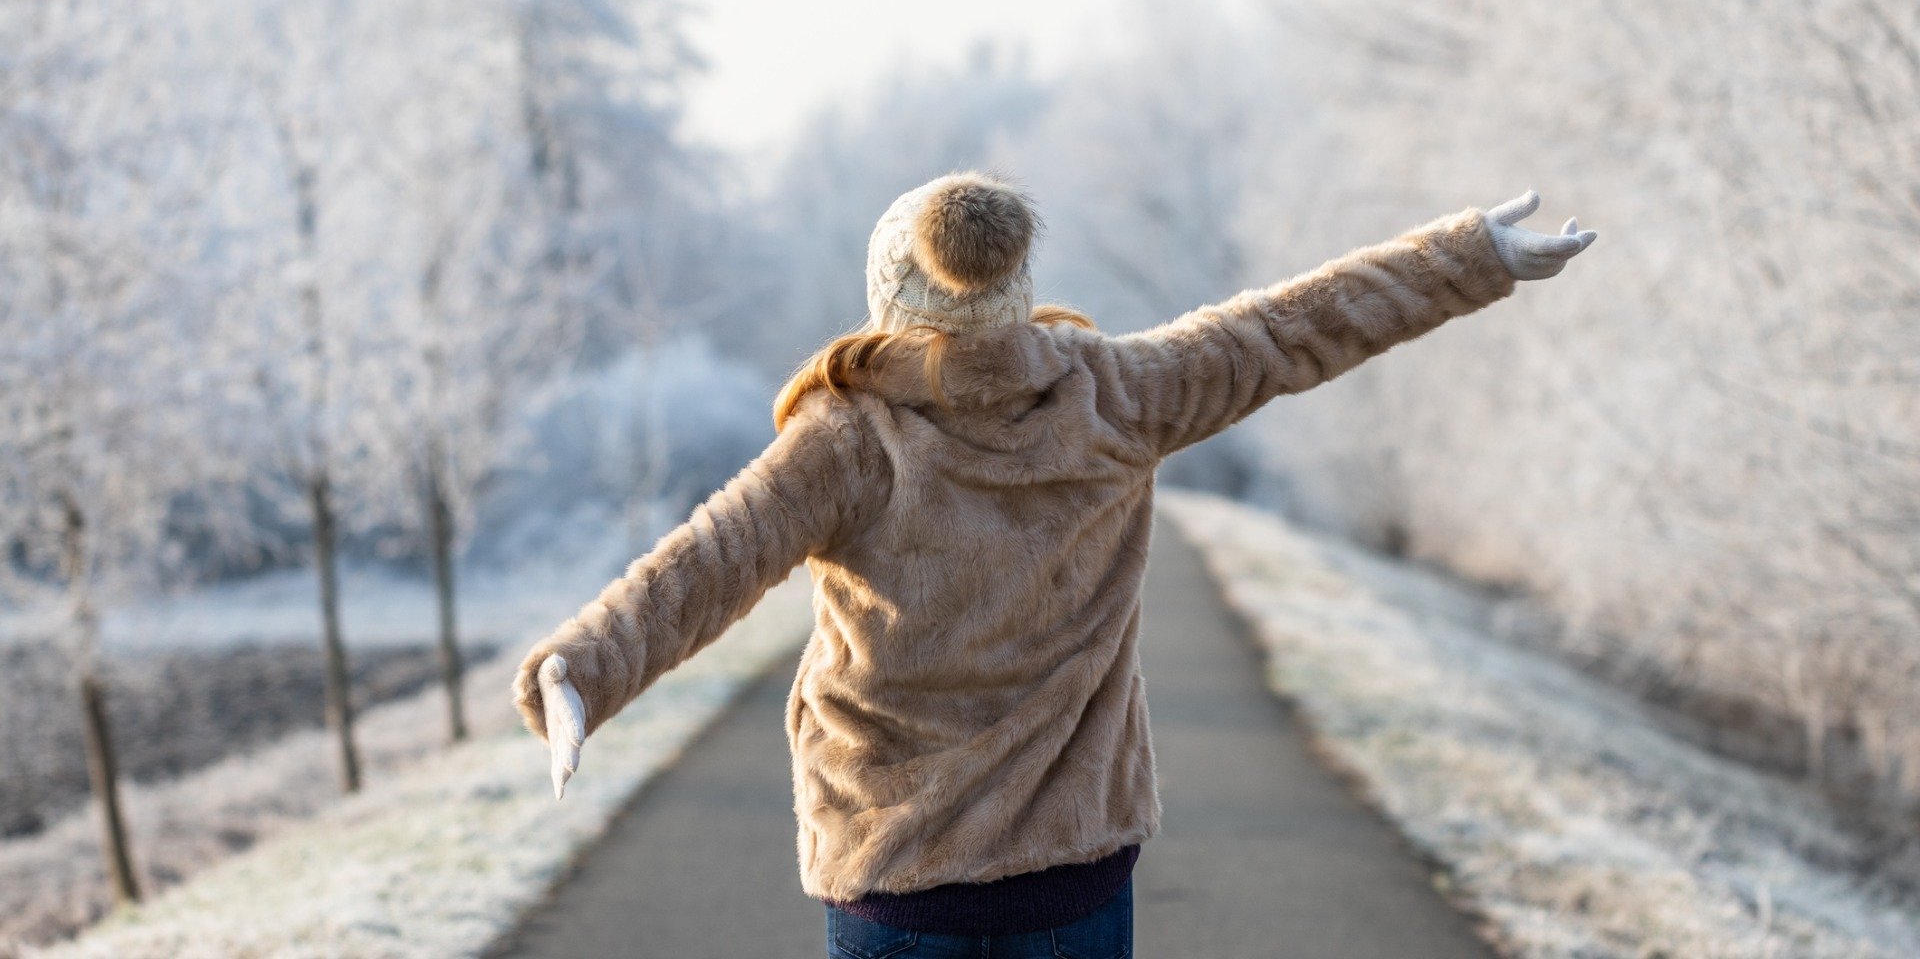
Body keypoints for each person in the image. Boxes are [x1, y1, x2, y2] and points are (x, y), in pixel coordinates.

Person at [513, 172, 1597, 958]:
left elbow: (707, 563)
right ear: (1015, 284)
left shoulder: (847, 437)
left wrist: (580, 667)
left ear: (889, 292)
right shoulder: (1117, 393)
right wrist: (1467, 259)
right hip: (1074, 877)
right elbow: (1290, 329)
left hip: (895, 881)